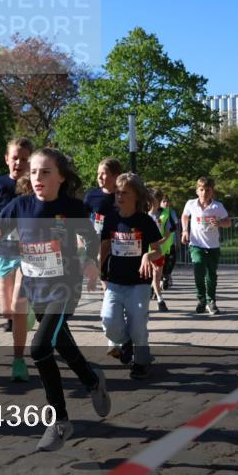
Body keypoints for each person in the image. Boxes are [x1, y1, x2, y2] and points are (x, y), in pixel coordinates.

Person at [0, 147, 111, 452]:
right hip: (35, 289)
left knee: (40, 347)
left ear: (61, 177)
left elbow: (91, 239)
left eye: (45, 172)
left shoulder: (73, 208)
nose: (37, 177)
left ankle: (60, 421)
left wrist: (90, 260)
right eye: (33, 172)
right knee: (62, 343)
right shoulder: (20, 205)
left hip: (64, 289)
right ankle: (92, 380)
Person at [0, 137, 34, 381]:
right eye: (15, 158)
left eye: (24, 159)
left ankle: (18, 360)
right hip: (4, 251)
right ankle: (23, 315)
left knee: (19, 303)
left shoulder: (34, 184)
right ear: (6, 159)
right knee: (7, 311)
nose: (19, 163)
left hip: (28, 252)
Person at [100, 174, 162, 380]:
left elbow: (158, 251)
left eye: (125, 192)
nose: (119, 196)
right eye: (117, 192)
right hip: (115, 282)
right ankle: (125, 343)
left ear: (136, 195)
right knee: (108, 321)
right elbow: (105, 247)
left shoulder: (145, 221)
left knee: (137, 325)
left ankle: (142, 362)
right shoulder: (111, 219)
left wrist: (147, 256)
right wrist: (98, 271)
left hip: (139, 283)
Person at [181, 177, 231, 315]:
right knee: (198, 268)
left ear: (212, 192)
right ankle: (201, 299)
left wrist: (219, 223)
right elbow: (185, 216)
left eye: (207, 190)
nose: (204, 193)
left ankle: (211, 301)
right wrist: (185, 230)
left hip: (213, 246)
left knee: (211, 275)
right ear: (197, 191)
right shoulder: (191, 204)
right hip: (196, 244)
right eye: (201, 190)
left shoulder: (217, 206)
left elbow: (228, 222)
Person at [83, 158, 122, 292]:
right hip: (99, 239)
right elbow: (83, 217)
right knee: (102, 266)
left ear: (115, 176)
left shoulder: (123, 195)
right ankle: (107, 293)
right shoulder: (92, 195)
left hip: (121, 241)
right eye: (98, 173)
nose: (99, 177)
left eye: (103, 173)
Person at [146, 188, 173, 312]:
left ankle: (160, 299)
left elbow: (168, 233)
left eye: (156, 200)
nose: (153, 203)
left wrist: (158, 243)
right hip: (143, 251)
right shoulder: (142, 214)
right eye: (151, 200)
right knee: (145, 276)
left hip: (158, 250)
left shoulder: (165, 215)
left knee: (157, 275)